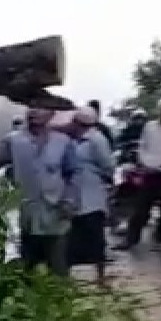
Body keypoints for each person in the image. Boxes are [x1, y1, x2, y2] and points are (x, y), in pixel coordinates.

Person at [0, 106, 78, 275]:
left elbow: (73, 175)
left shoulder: (63, 142)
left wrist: (69, 201)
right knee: (28, 269)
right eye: (31, 108)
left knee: (58, 268)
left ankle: (60, 296)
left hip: (56, 215)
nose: (34, 112)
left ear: (51, 114)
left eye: (40, 108)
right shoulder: (13, 141)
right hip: (27, 216)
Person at [114, 96, 161, 251]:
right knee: (140, 208)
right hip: (149, 173)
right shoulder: (150, 126)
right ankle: (131, 240)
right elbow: (143, 146)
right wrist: (147, 161)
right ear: (159, 109)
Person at [63, 108, 115, 285]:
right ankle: (67, 275)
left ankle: (100, 276)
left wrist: (96, 175)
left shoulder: (96, 140)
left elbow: (108, 165)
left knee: (95, 237)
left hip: (92, 194)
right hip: (74, 195)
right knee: (71, 238)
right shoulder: (73, 140)